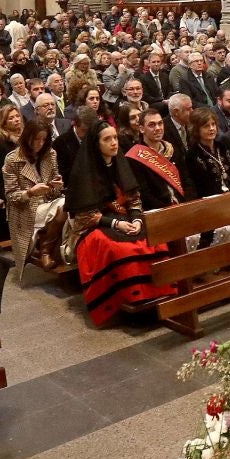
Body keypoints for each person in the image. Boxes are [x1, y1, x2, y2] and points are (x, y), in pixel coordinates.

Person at [65, 122, 169, 327]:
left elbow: (134, 198)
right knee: (120, 249)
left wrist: (137, 219)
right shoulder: (84, 170)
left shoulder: (120, 162)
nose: (114, 143)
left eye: (115, 138)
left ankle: (159, 296)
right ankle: (131, 300)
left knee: (154, 239)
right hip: (94, 226)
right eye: (107, 139)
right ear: (96, 144)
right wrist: (115, 224)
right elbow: (83, 216)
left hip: (127, 219)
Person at [1, 116, 62, 272]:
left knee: (71, 207)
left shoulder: (50, 154)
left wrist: (56, 186)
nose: (40, 144)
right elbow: (11, 196)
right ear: (27, 137)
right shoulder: (13, 160)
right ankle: (46, 251)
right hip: (25, 209)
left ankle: (58, 251)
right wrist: (30, 192)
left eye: (44, 140)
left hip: (48, 203)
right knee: (64, 207)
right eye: (36, 139)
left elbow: (54, 190)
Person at [125, 109, 187, 214]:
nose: (158, 128)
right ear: (141, 129)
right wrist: (170, 210)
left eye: (160, 123)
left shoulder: (173, 150)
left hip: (184, 207)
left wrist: (188, 202)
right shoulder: (134, 156)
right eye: (152, 125)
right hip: (158, 212)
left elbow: (187, 180)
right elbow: (145, 194)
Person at [182, 108, 229, 203]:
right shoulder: (193, 155)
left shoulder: (223, 146)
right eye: (206, 126)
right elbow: (198, 187)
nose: (211, 128)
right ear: (196, 129)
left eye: (213, 124)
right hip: (211, 203)